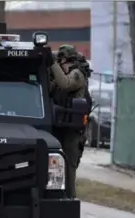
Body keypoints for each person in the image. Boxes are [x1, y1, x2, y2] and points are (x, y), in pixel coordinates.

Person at [48, 44, 88, 198]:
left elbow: (65, 84)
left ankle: (69, 199)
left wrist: (52, 63)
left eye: (60, 63)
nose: (59, 66)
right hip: (61, 127)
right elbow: (51, 89)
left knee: (69, 168)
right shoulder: (62, 76)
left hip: (73, 131)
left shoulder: (77, 75)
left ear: (66, 60)